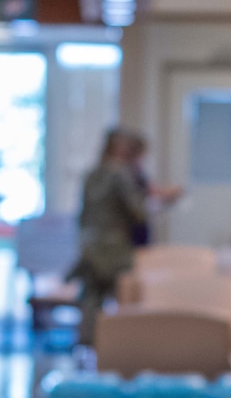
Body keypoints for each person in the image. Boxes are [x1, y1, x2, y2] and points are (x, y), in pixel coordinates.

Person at [68, 129, 179, 346]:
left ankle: (89, 351)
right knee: (124, 299)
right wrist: (157, 203)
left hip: (90, 248)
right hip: (115, 250)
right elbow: (136, 211)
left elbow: (82, 215)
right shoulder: (119, 174)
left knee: (91, 302)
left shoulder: (92, 174)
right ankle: (119, 350)